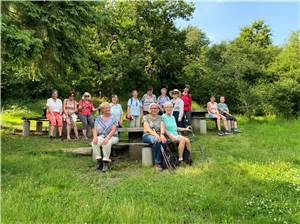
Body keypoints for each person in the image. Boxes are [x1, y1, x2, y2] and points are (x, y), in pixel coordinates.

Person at [91, 102, 119, 172]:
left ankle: (105, 162)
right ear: (102, 110)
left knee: (107, 142)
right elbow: (95, 129)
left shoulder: (114, 117)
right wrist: (95, 137)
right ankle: (99, 161)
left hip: (113, 136)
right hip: (101, 136)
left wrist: (107, 138)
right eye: (106, 108)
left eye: (109, 108)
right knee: (94, 143)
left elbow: (114, 129)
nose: (108, 109)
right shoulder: (98, 118)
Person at [142, 103, 167, 171]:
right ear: (149, 109)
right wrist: (156, 135)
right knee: (156, 140)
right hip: (148, 135)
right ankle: (157, 163)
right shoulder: (146, 117)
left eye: (155, 108)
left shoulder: (160, 117)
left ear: (158, 109)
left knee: (164, 141)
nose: (153, 109)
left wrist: (162, 135)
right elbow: (147, 129)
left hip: (158, 135)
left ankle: (164, 161)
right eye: (152, 108)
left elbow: (162, 126)